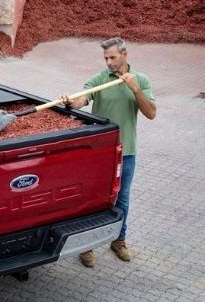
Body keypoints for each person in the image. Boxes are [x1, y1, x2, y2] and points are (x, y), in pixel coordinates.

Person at [59, 37, 156, 268]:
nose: (109, 63)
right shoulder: (100, 79)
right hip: (100, 153)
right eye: (106, 58)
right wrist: (72, 102)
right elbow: (83, 98)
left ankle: (118, 240)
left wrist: (135, 89)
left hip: (127, 151)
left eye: (113, 57)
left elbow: (151, 113)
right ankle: (86, 246)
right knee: (93, 198)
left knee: (122, 198)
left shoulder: (141, 80)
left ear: (125, 54)